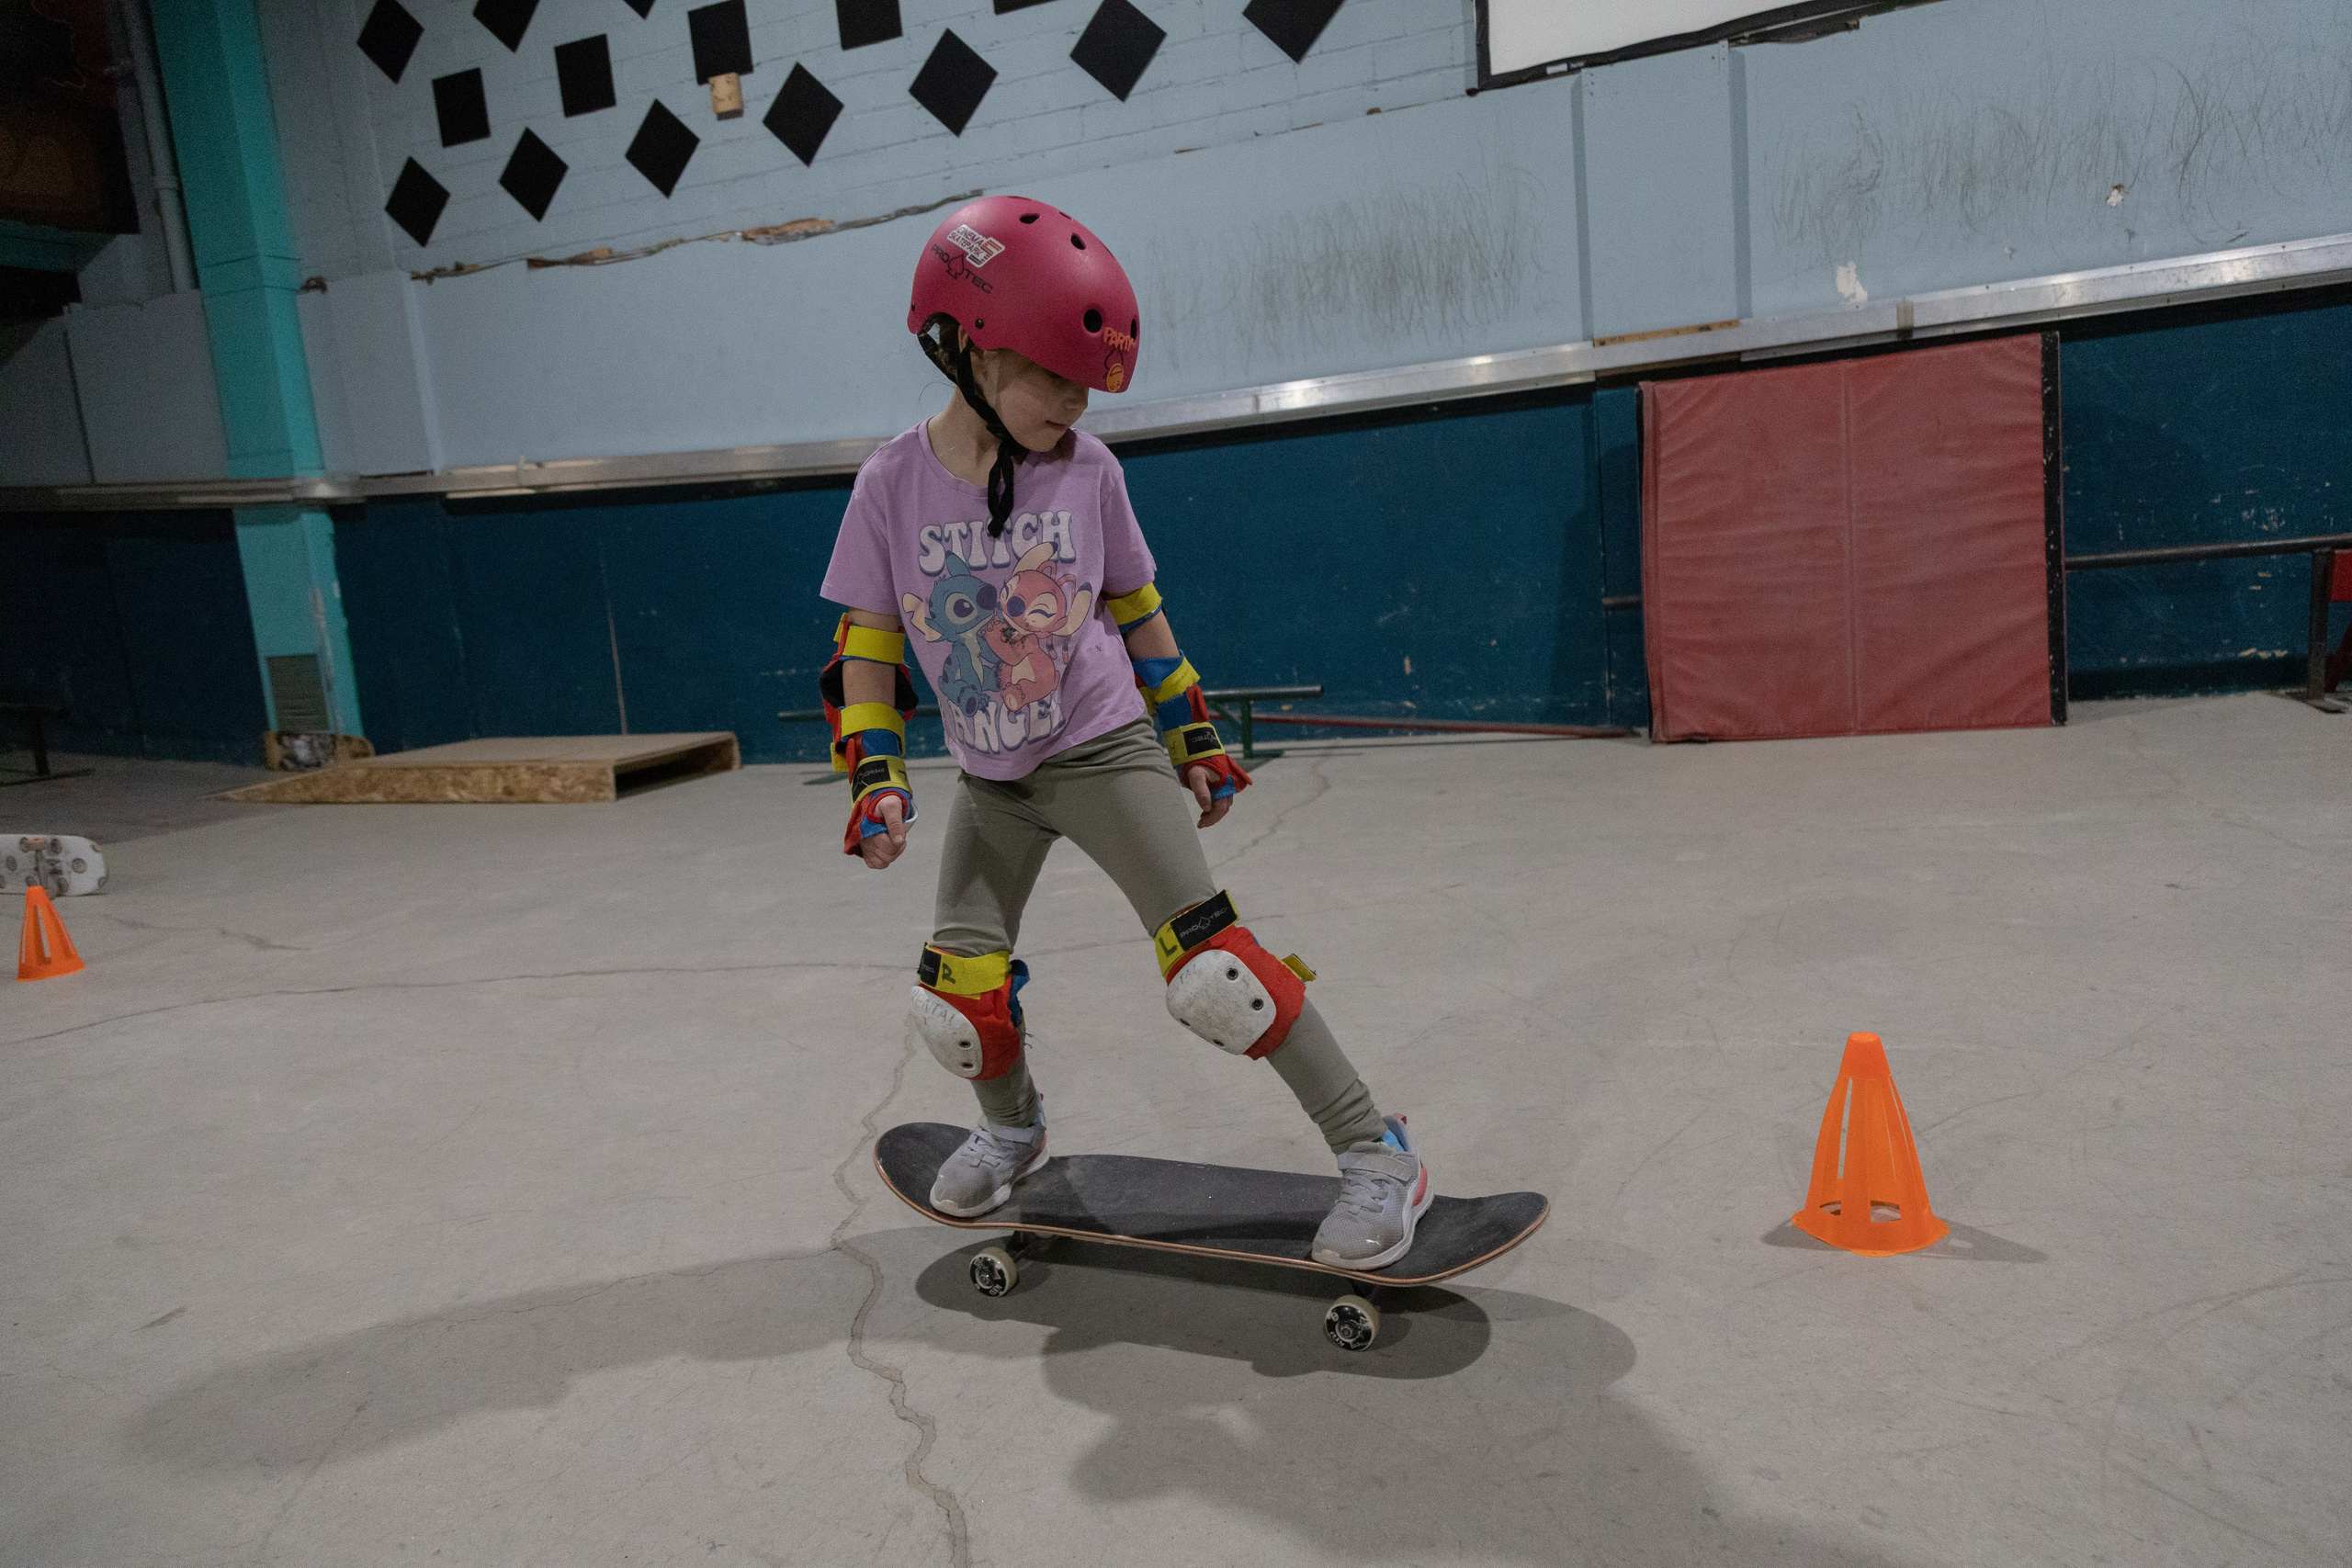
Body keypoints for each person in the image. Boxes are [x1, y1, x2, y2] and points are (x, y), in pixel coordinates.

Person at [818, 196, 1430, 1268]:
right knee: (959, 995)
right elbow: (865, 642)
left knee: (1214, 971)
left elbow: (1137, 609)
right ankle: (1014, 1128)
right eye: (1048, 375)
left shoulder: (1089, 474)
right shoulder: (889, 485)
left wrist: (1191, 738)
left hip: (1099, 747)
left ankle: (1378, 1154)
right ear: (963, 346)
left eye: (1083, 381)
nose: (1072, 402)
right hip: (989, 775)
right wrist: (876, 775)